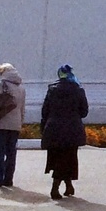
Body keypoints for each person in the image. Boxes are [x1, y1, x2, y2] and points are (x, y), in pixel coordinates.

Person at [40, 64, 89, 200]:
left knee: (57, 158)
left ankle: (67, 186)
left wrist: (44, 128)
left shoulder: (52, 90)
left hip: (54, 129)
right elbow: (84, 112)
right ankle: (56, 188)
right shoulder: (78, 90)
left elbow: (45, 111)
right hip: (72, 129)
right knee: (69, 157)